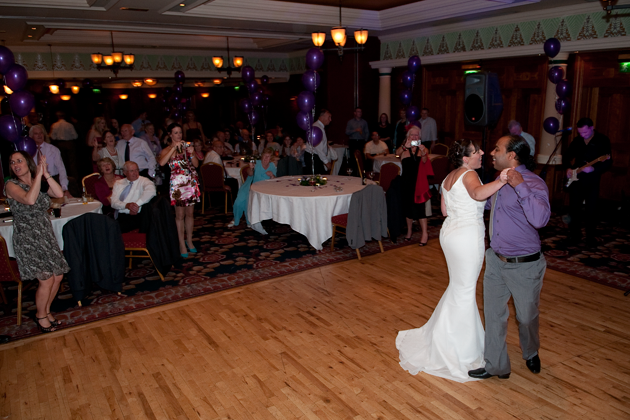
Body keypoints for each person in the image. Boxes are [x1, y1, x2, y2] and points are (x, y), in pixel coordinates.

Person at [397, 140, 509, 382]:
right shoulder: (469, 174)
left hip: (450, 234)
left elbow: (445, 211)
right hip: (467, 237)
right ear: (466, 159)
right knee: (465, 290)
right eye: (476, 151)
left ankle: (446, 338)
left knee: (459, 288)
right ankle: (462, 351)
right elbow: (478, 194)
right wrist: (501, 180)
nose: (482, 152)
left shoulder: (450, 175)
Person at [468, 135, 551, 380]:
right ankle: (496, 366)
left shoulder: (534, 183)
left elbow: (540, 220)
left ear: (512, 155)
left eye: (497, 149)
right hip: (496, 261)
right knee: (493, 316)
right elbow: (487, 206)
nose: (492, 153)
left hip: (525, 266)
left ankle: (530, 351)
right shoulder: (498, 180)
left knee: (526, 317)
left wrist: (520, 185)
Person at [5, 151, 69, 333]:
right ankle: (40, 316)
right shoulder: (11, 185)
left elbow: (58, 194)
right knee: (46, 278)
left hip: (45, 234)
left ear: (28, 163)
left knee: (57, 275)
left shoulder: (36, 180)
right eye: (12, 162)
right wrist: (38, 176)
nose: (16, 165)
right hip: (28, 237)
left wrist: (45, 174)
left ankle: (46, 311)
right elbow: (29, 200)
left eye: (19, 161)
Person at [563, 117, 612, 247]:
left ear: (592, 128)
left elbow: (608, 162)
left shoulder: (602, 140)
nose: (583, 135)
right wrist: (568, 167)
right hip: (576, 179)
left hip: (592, 180)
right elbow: (567, 156)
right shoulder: (577, 141)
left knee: (591, 209)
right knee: (574, 208)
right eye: (580, 133)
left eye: (585, 132)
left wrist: (594, 169)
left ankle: (590, 237)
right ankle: (574, 235)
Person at [158, 123, 201, 257]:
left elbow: (196, 164)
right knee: (179, 215)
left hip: (190, 181)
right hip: (177, 184)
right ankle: (181, 243)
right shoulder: (166, 150)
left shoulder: (187, 146)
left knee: (190, 214)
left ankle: (189, 240)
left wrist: (192, 153)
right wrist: (173, 149)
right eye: (175, 133)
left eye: (180, 132)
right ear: (170, 135)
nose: (178, 135)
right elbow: (161, 163)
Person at [395, 126, 430, 245]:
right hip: (406, 182)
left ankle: (425, 233)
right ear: (408, 136)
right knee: (408, 208)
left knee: (420, 209)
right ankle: (409, 231)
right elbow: (396, 154)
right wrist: (406, 145)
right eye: (412, 135)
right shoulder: (404, 148)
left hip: (419, 183)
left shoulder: (422, 149)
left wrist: (423, 151)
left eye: (417, 135)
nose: (415, 137)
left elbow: (425, 161)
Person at [228, 147, 277, 228]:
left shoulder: (272, 166)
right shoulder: (256, 163)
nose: (266, 158)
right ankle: (235, 218)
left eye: (268, 157)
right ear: (262, 156)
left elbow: (275, 180)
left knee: (251, 200)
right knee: (239, 201)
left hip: (265, 188)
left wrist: (272, 175)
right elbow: (249, 173)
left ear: (270, 158)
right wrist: (251, 168)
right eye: (265, 156)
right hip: (251, 185)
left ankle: (251, 219)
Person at [111, 161, 157, 233]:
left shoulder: (144, 181)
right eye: (132, 171)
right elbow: (113, 203)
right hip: (121, 214)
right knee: (105, 226)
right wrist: (127, 205)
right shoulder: (118, 183)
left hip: (136, 216)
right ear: (125, 172)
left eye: (136, 170)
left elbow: (151, 192)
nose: (135, 173)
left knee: (114, 229)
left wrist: (135, 205)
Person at [30, 125, 72, 198]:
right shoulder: (28, 151)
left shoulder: (53, 149)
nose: (39, 135)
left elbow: (61, 169)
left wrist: (64, 187)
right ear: (31, 136)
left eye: (41, 133)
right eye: (36, 133)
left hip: (51, 181)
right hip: (34, 182)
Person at [49, 111, 79, 180]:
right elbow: (75, 136)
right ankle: (74, 178)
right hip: (69, 144)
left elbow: (52, 136)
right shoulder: (69, 125)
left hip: (60, 144)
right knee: (72, 162)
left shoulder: (54, 125)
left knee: (62, 161)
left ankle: (64, 177)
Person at [305, 109, 332, 175]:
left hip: (315, 157)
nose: (330, 119)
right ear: (322, 117)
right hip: (313, 157)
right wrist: (326, 162)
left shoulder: (319, 126)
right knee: (317, 179)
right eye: (329, 117)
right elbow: (318, 147)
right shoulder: (317, 128)